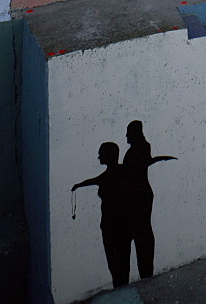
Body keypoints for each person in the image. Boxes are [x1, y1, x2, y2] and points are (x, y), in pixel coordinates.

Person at [71, 142, 135, 288]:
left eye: (102, 153)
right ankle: (120, 286)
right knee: (118, 260)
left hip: (118, 225)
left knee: (118, 260)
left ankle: (120, 286)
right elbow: (93, 181)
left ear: (110, 155)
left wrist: (79, 185)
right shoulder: (112, 174)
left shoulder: (115, 174)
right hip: (111, 225)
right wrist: (79, 185)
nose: (99, 156)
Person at [122, 121, 177, 281]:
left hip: (140, 194)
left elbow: (139, 167)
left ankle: (146, 271)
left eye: (128, 132)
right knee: (140, 231)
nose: (126, 136)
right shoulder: (137, 148)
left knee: (142, 232)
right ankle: (145, 271)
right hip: (135, 195)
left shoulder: (142, 147)